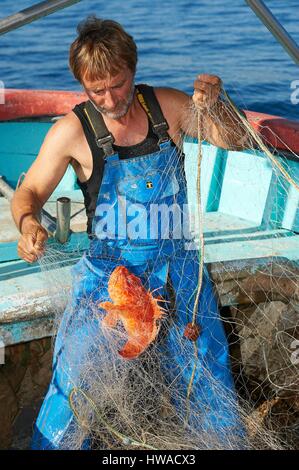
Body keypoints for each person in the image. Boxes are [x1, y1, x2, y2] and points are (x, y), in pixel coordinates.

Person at [11, 17, 249, 450]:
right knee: (75, 381)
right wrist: (28, 224)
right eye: (95, 90)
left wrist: (216, 105)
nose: (109, 99)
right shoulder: (71, 131)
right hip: (110, 278)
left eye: (117, 85)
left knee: (208, 377)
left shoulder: (170, 107)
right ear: (82, 84)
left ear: (133, 72)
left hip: (178, 273)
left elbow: (234, 140)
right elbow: (28, 192)